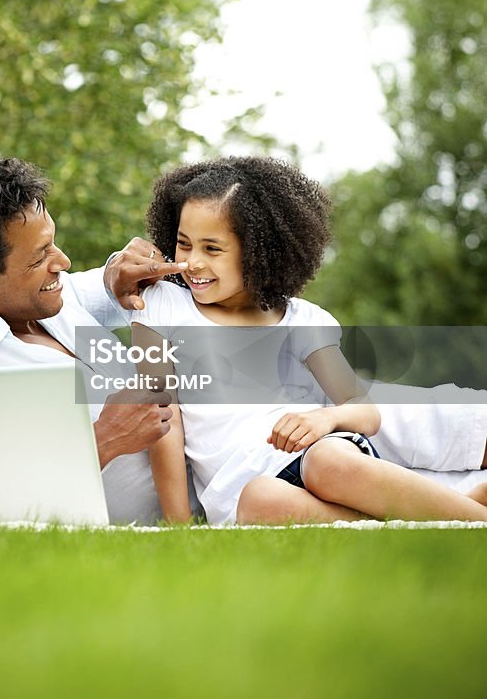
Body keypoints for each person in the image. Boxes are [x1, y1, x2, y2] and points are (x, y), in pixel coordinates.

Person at [128, 156, 487, 525]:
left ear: (260, 252)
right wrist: (178, 523)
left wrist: (325, 419)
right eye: (184, 244)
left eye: (212, 249)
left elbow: (364, 409)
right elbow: (162, 418)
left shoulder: (302, 319)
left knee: (329, 462)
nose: (192, 262)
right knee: (261, 499)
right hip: (239, 487)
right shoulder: (161, 306)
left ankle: (467, 519)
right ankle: (460, 513)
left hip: (316, 454)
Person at [0, 155, 190, 524]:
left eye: (53, 243)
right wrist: (104, 439)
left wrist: (119, 273)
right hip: (125, 551)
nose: (64, 261)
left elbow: (100, 284)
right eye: (41, 256)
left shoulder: (40, 298)